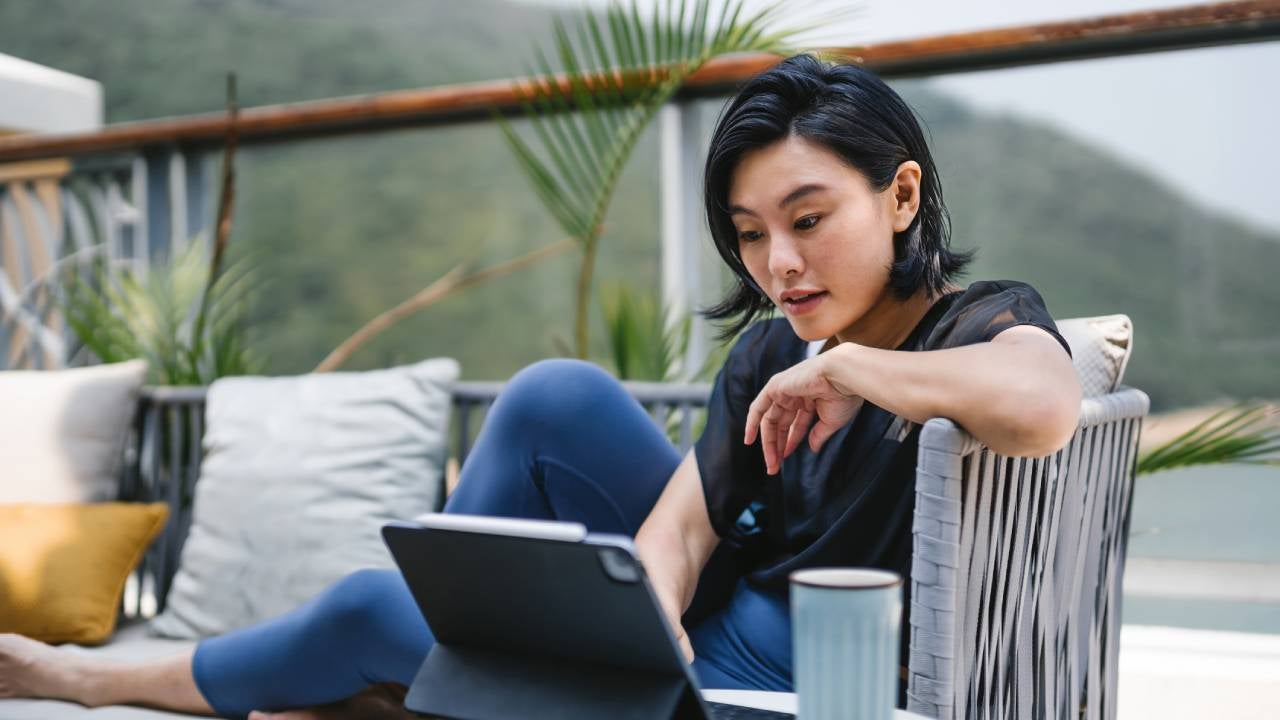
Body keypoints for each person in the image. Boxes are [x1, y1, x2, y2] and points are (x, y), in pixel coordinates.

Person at [0, 53, 1081, 719]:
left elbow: (1043, 408)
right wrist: (626, 637)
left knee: (373, 606)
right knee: (553, 394)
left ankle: (91, 680)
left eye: (806, 221)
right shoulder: (769, 353)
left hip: (791, 684)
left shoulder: (976, 323)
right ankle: (466, 681)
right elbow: (680, 536)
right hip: (689, 654)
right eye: (749, 235)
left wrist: (857, 371)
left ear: (899, 197)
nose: (777, 267)